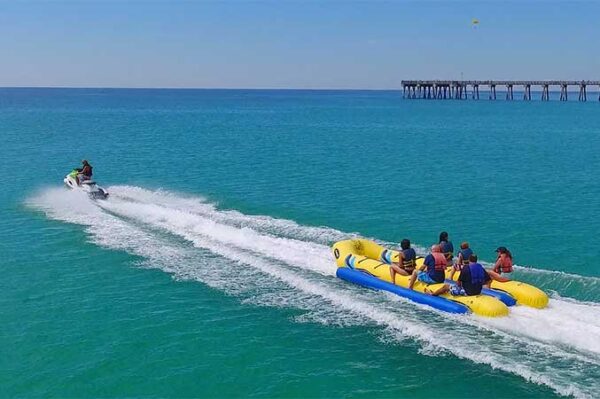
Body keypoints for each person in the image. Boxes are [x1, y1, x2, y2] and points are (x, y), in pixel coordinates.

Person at [426, 254, 491, 296]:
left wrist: (458, 287)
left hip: (468, 292)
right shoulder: (481, 268)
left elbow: (458, 282)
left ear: (469, 260)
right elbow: (489, 280)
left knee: (446, 286)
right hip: (478, 291)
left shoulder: (466, 268)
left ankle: (433, 294)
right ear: (476, 260)